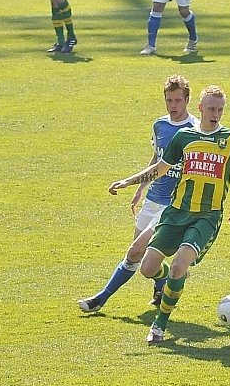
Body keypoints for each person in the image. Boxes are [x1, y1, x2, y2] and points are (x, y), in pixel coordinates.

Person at [108, 85, 230, 343]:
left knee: (178, 266)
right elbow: (159, 168)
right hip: (176, 212)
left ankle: (159, 326)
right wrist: (128, 182)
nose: (216, 114)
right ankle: (173, 281)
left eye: (220, 109)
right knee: (147, 268)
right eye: (211, 108)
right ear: (200, 108)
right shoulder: (184, 137)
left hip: (206, 217)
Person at [77, 75, 198, 313]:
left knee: (134, 250)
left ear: (187, 100)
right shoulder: (160, 125)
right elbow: (156, 159)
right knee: (140, 258)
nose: (173, 106)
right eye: (169, 100)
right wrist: (141, 188)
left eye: (177, 100)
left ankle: (100, 299)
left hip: (172, 205)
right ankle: (162, 284)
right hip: (153, 198)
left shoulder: (194, 129)